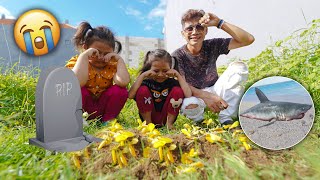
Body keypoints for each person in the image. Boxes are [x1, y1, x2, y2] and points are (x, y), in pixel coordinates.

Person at [172, 9, 254, 125]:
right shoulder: (177, 56)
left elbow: (248, 39)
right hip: (194, 95)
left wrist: (219, 23)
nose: (194, 32)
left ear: (206, 30)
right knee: (188, 104)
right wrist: (207, 96)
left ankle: (226, 119)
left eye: (199, 27)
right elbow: (181, 85)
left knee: (239, 67)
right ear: (183, 33)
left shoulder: (212, 45)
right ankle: (200, 123)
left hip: (215, 89)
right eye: (189, 28)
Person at [66, 22, 130, 124]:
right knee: (78, 89)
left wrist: (119, 60)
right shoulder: (78, 61)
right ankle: (79, 121)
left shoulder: (111, 65)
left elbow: (123, 82)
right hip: (83, 109)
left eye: (106, 54)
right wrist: (84, 56)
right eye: (96, 52)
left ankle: (108, 121)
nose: (101, 57)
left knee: (120, 90)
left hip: (102, 109)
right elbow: (76, 83)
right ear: (85, 48)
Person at [128, 49, 192, 129]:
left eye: (165, 71)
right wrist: (142, 76)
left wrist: (178, 76)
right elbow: (130, 95)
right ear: (149, 68)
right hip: (149, 115)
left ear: (170, 68)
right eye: (156, 71)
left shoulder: (172, 83)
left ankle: (169, 124)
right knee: (142, 90)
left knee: (177, 90)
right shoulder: (146, 82)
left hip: (166, 116)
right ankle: (148, 124)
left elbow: (188, 95)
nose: (160, 74)